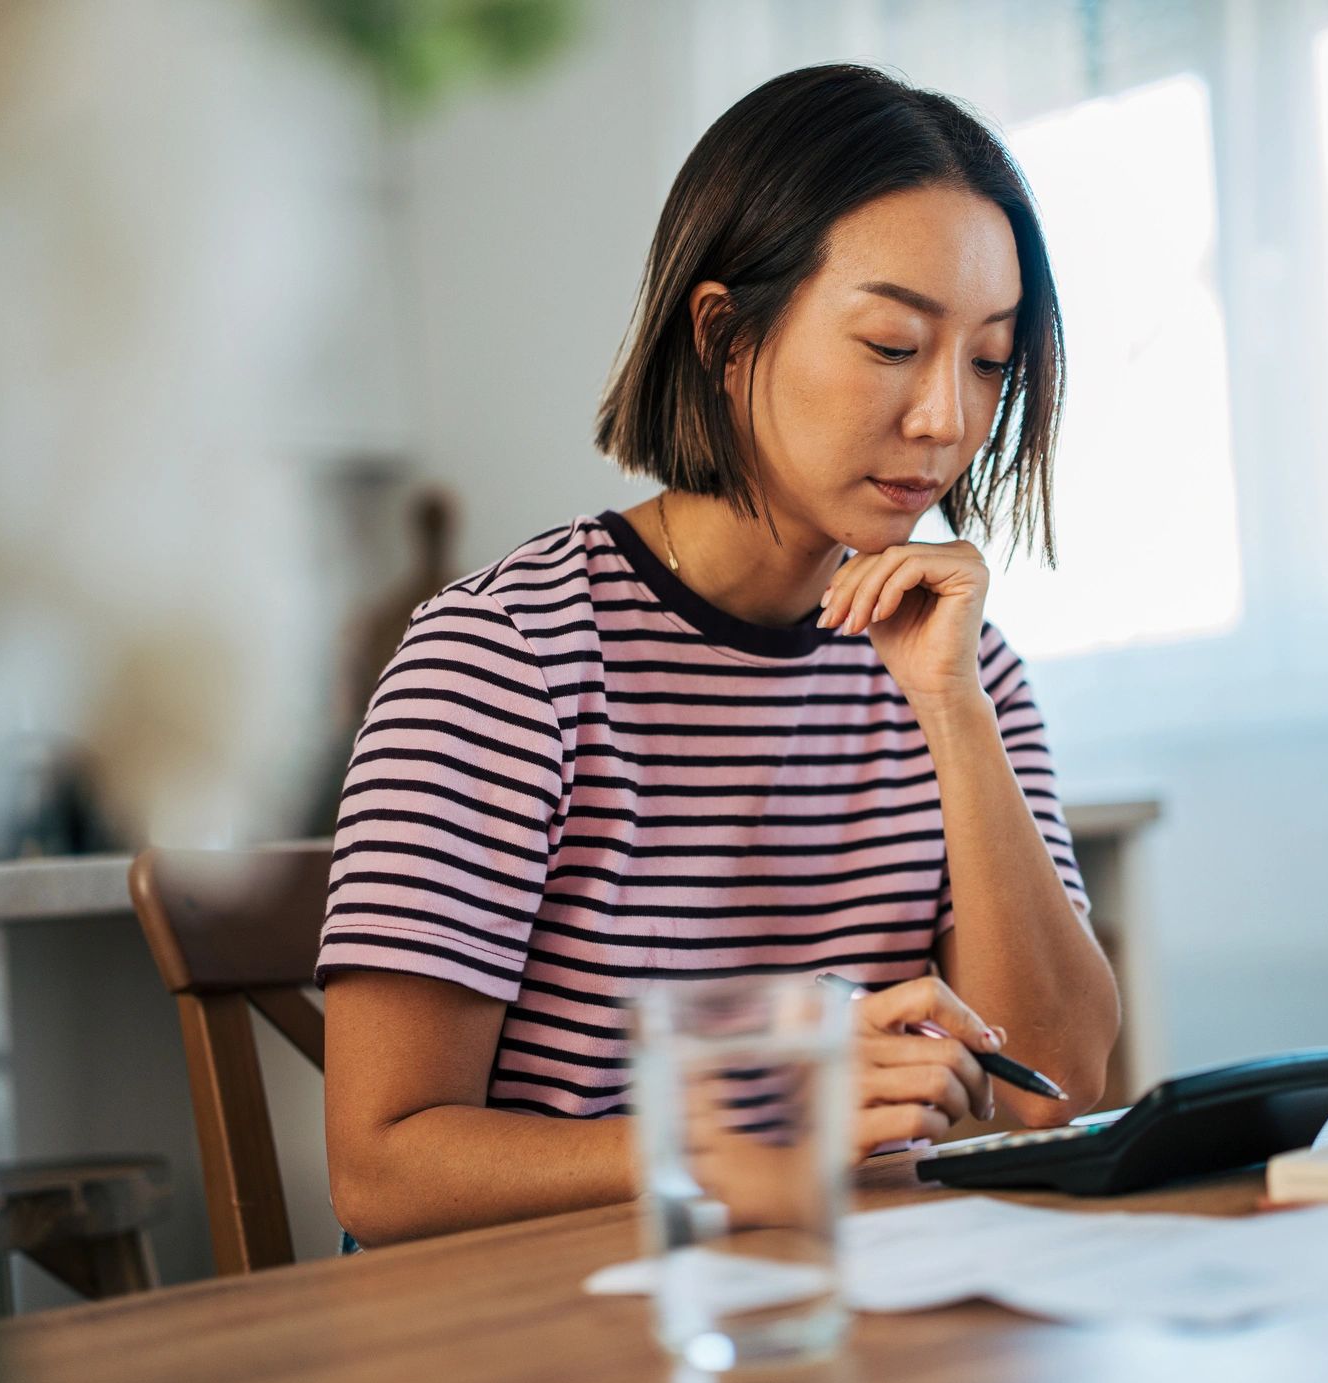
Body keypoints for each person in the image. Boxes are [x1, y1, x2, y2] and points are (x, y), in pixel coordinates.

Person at [320, 62, 1120, 1249]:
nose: (947, 418)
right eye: (892, 344)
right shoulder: (505, 659)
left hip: (852, 1295)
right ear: (723, 335)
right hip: (561, 1316)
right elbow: (382, 1172)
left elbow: (1054, 1083)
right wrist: (763, 1130)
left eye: (989, 360)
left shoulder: (966, 667)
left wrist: (953, 710)